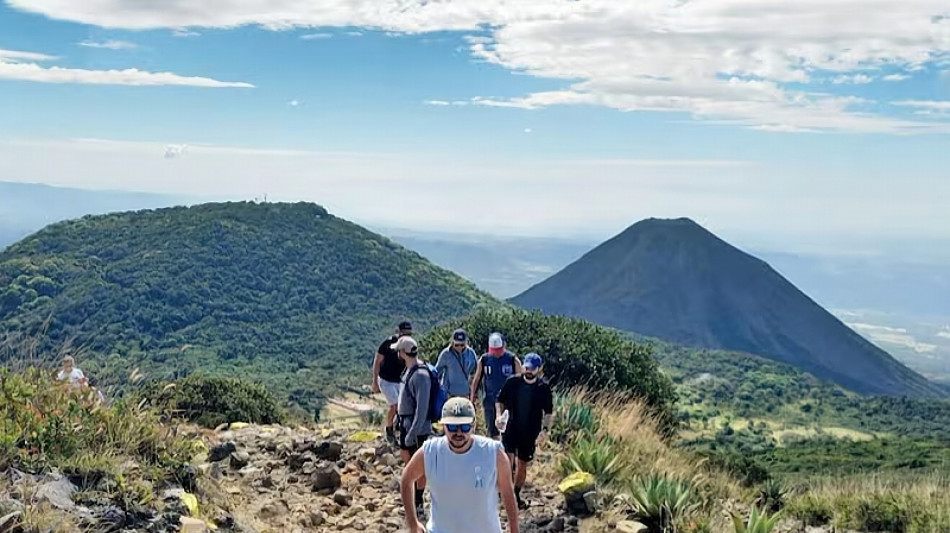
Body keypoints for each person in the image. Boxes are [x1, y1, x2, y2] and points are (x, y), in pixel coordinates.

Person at [400, 397, 519, 533]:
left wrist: (514, 529)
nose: (458, 433)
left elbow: (508, 493)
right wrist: (413, 523)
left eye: (464, 427)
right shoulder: (431, 451)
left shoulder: (493, 453)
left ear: (473, 425)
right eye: (452, 427)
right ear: (443, 425)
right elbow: (406, 479)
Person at [495, 353, 554, 510]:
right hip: (510, 429)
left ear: (539, 369)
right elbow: (499, 400)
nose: (528, 371)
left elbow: (548, 412)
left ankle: (515, 494)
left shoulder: (543, 389)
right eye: (526, 367)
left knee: (522, 464)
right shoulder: (512, 382)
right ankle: (505, 493)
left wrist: (545, 430)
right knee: (508, 462)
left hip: (529, 433)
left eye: (532, 368)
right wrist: (499, 416)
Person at [394, 335, 434, 517]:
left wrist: (413, 431)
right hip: (406, 423)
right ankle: (412, 497)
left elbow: (422, 408)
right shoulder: (409, 370)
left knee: (419, 465)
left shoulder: (420, 375)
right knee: (409, 460)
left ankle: (418, 502)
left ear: (403, 352)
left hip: (417, 428)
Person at [470, 332, 522, 440]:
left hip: (509, 403)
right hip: (490, 402)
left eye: (498, 351)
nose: (496, 354)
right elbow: (476, 380)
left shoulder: (513, 359)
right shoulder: (484, 360)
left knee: (509, 434)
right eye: (494, 351)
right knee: (492, 433)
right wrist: (472, 399)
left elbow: (521, 381)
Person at [373, 320, 413, 445]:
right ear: (399, 332)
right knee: (395, 405)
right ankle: (389, 429)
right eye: (404, 333)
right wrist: (374, 382)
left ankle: (397, 427)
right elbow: (377, 362)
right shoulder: (388, 344)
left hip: (399, 380)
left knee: (405, 405)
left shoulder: (409, 346)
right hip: (386, 379)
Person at [435, 328, 478, 398]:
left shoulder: (471, 354)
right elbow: (436, 372)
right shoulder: (446, 354)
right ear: (452, 342)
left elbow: (476, 373)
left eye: (462, 345)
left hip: (466, 394)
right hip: (449, 395)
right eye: (457, 345)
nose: (459, 347)